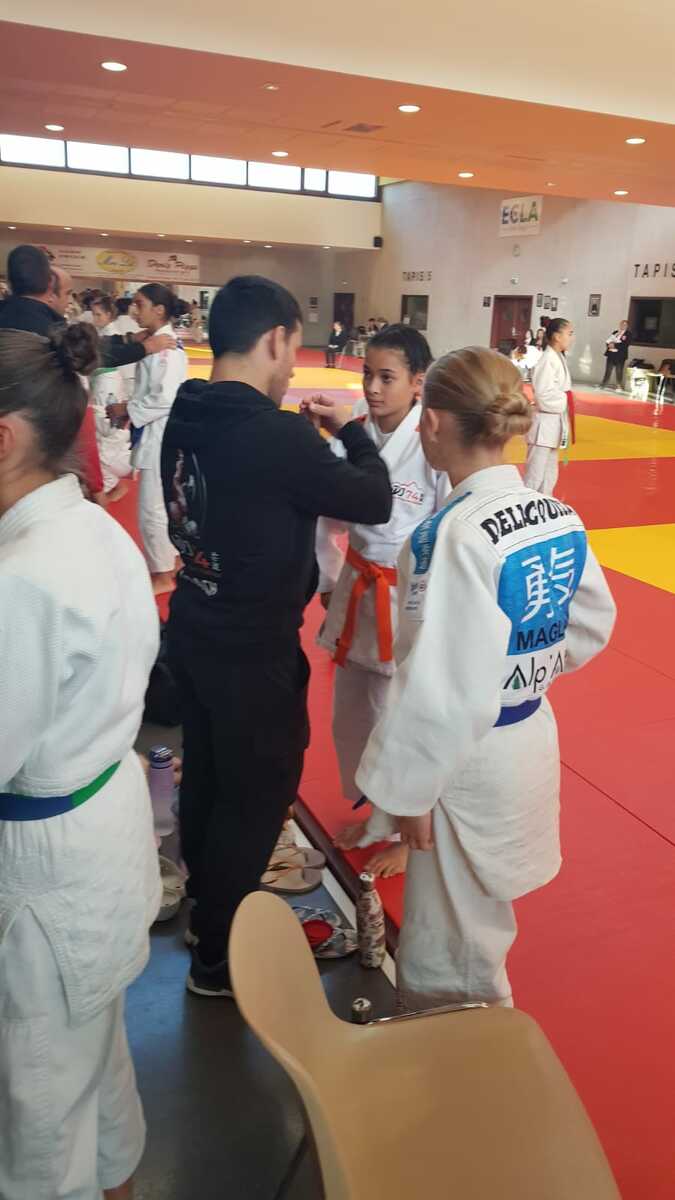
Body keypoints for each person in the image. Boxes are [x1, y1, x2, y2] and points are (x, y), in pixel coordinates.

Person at [356, 346, 616, 1010]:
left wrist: (411, 790)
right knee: (482, 918)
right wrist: (525, 668)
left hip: (464, 755)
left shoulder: (450, 535)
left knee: (449, 946)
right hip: (527, 735)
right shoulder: (554, 512)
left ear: (433, 422)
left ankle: (466, 1057)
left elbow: (438, 683)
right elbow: (592, 622)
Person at [161, 274, 392, 997]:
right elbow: (374, 498)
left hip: (193, 627)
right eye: (292, 348)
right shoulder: (276, 434)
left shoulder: (186, 408)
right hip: (252, 650)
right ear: (273, 339)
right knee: (256, 797)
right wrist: (350, 429)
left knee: (208, 777)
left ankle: (207, 912)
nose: (294, 366)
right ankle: (218, 959)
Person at [0, 324, 161, 1200]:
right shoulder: (93, 527)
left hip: (48, 869)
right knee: (92, 1062)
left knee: (40, 1104)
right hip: (101, 826)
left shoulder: (22, 578)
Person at [316, 325, 449, 878]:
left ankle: (409, 830)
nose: (372, 387)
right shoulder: (354, 435)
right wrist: (328, 581)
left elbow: (448, 528)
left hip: (410, 597)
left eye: (386, 377)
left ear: (418, 382)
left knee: (403, 715)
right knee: (354, 714)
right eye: (367, 374)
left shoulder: (434, 441)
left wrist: (436, 606)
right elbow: (327, 516)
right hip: (358, 585)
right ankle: (377, 812)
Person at [126, 284, 187, 594]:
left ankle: (162, 574)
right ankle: (171, 560)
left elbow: (165, 399)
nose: (134, 310)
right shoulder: (153, 343)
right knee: (161, 504)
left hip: (159, 436)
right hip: (155, 434)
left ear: (159, 310)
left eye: (140, 304)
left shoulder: (167, 349)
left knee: (152, 509)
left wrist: (127, 409)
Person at [523, 317, 574, 494]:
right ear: (557, 336)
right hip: (543, 426)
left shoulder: (557, 357)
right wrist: (566, 399)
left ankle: (545, 503)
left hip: (553, 424)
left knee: (549, 474)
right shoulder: (547, 359)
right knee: (534, 476)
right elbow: (543, 396)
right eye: (569, 333)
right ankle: (526, 505)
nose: (571, 338)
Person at [90, 297, 132, 501]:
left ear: (109, 314)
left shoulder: (112, 334)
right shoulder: (103, 332)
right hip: (102, 380)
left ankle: (109, 482)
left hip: (108, 383)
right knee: (100, 429)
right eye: (94, 314)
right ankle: (109, 480)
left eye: (99, 314)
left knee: (106, 428)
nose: (95, 318)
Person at [602, 319, 631, 390]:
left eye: (625, 325)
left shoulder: (628, 334)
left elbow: (626, 344)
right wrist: (609, 344)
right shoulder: (615, 332)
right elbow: (609, 340)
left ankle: (619, 385)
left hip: (620, 355)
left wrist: (615, 345)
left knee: (619, 371)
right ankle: (604, 384)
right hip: (611, 354)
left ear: (627, 326)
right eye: (622, 324)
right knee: (608, 370)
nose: (623, 326)